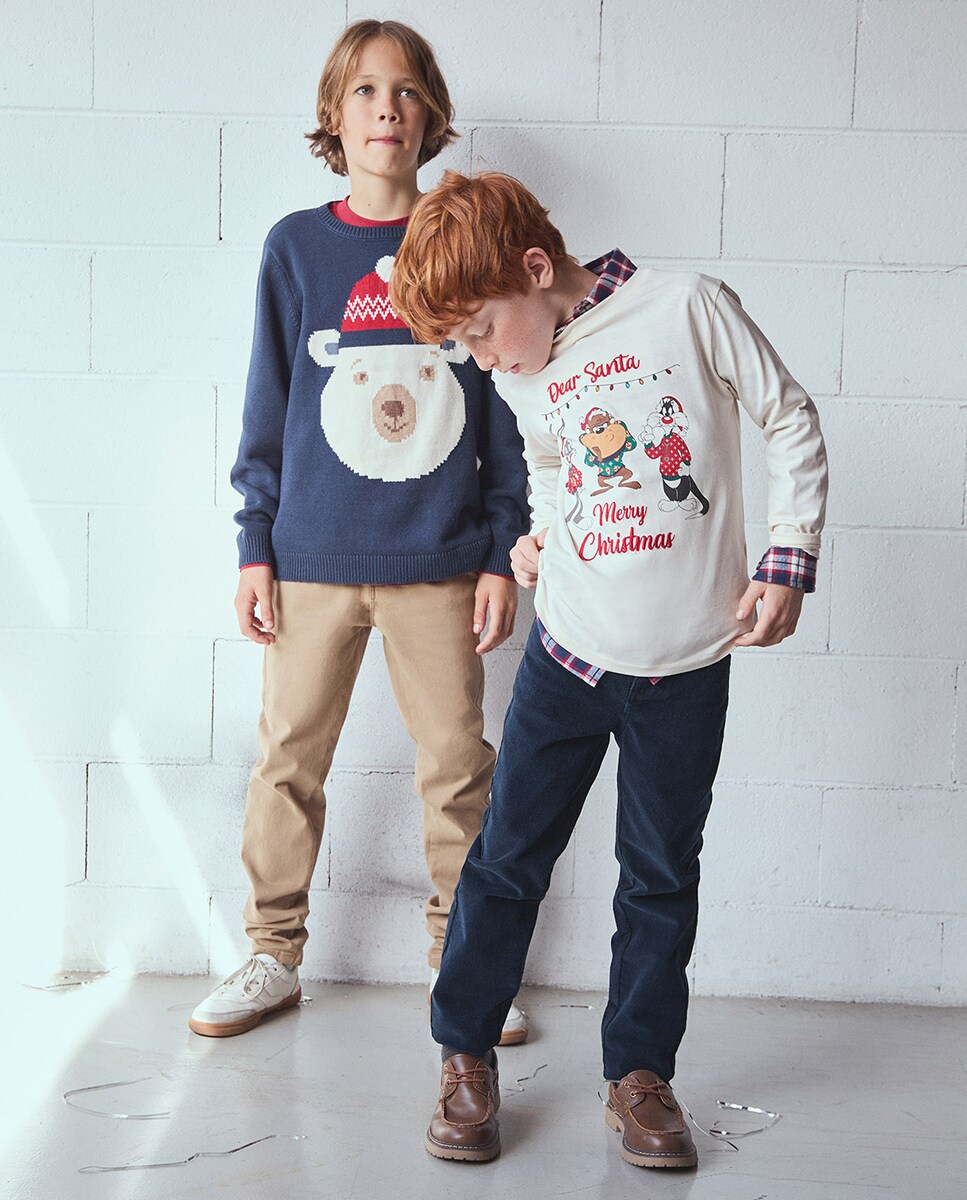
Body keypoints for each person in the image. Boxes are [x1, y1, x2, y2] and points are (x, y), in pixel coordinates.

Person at [390, 170, 828, 1167]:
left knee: (660, 876)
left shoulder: (687, 308)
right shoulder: (520, 369)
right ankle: (464, 1053)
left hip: (687, 667)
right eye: (464, 347)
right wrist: (541, 537)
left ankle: (638, 1074)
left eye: (481, 332)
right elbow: (554, 465)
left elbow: (789, 418)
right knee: (506, 861)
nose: (482, 359)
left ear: (534, 268)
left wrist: (788, 556)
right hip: (569, 660)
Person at [188, 26, 529, 1047]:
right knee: (287, 761)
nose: (389, 108)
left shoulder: (466, 236)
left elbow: (506, 403)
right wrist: (254, 543)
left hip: (442, 559)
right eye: (368, 91)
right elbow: (268, 401)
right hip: (310, 560)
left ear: (432, 115)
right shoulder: (296, 247)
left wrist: (500, 548)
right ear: (334, 117)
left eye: (409, 91)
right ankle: (271, 954)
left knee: (457, 767)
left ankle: (463, 966)